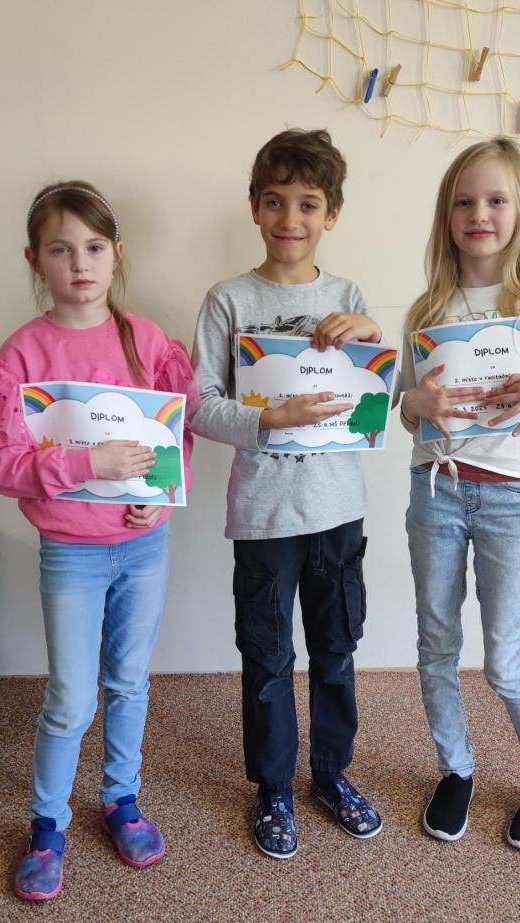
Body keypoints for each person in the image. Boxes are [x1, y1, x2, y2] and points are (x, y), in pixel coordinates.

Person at [0, 180, 198, 900]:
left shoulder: (146, 340)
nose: (80, 263)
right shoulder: (23, 354)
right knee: (69, 695)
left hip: (144, 547)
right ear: (34, 260)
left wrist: (158, 493)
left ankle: (120, 800)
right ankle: (47, 825)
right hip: (71, 554)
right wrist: (86, 465)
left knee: (129, 681)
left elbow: (176, 436)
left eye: (94, 247)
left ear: (117, 254)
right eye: (61, 250)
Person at [395, 138, 520, 851]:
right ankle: (455, 770)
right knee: (436, 645)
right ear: (446, 215)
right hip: (436, 489)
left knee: (505, 659)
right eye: (463, 201)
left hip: (513, 497)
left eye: (495, 200)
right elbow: (406, 410)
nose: (478, 214)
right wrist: (414, 403)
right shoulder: (428, 308)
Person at [190, 129, 384, 859]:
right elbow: (199, 405)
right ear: (254, 207)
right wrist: (270, 419)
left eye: (307, 204)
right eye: (274, 202)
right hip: (264, 514)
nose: (290, 219)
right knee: (268, 658)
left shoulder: (348, 296)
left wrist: (372, 333)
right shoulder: (228, 299)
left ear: (332, 213)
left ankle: (330, 775)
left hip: (338, 509)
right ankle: (273, 787)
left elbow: (375, 402)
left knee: (336, 649)